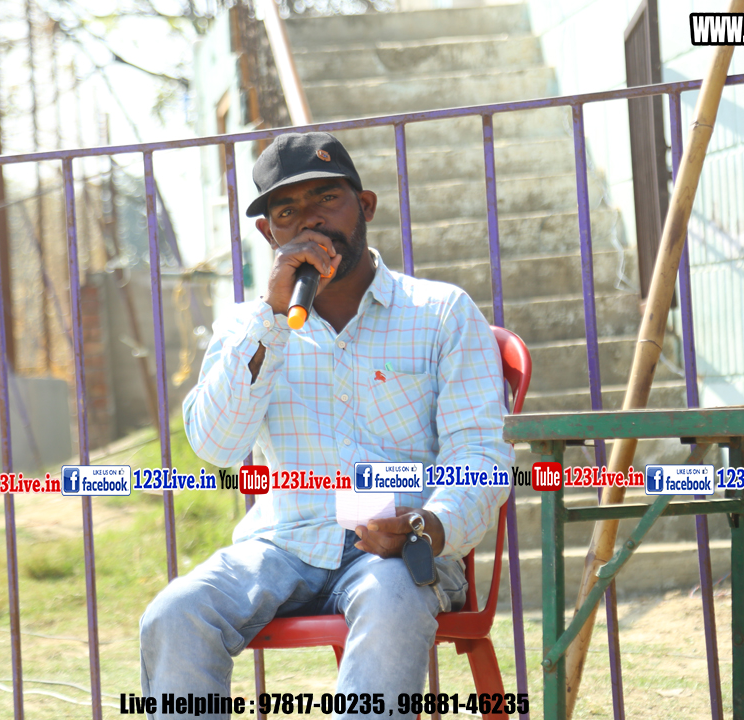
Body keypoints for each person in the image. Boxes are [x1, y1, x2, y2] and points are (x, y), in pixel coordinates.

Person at [139, 131, 515, 718]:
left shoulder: (441, 313)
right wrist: (271, 318)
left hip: (396, 552)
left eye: (327, 199)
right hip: (282, 544)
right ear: (269, 234)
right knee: (175, 613)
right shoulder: (246, 328)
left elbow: (481, 455)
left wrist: (427, 526)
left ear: (364, 206)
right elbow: (216, 446)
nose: (310, 221)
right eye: (287, 211)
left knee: (391, 599)